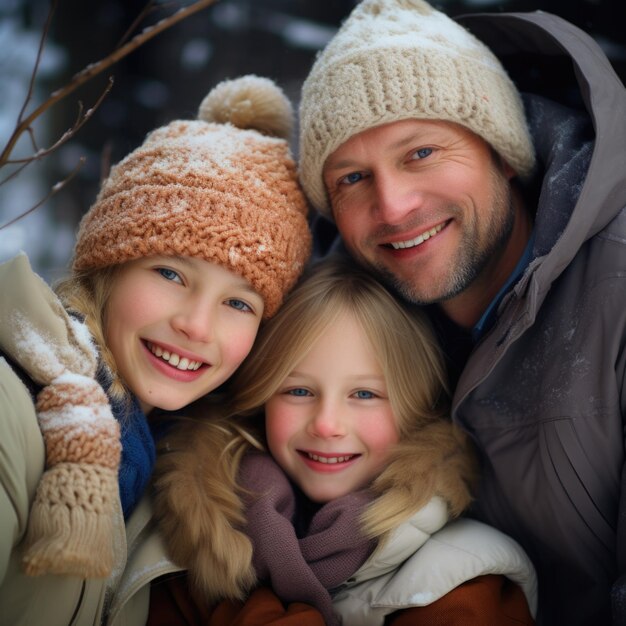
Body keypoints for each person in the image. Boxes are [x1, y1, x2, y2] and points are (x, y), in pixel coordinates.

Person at [296, 1, 626, 624]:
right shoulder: (343, 323)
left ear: (502, 151)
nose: (393, 207)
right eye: (351, 178)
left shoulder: (618, 291)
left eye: (420, 153)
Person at [0, 74, 311, 626]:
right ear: (109, 268)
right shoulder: (12, 406)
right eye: (170, 272)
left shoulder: (167, 463)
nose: (195, 325)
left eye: (239, 304)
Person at [150, 257, 537, 626]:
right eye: (298, 391)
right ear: (260, 398)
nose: (327, 425)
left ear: (414, 410)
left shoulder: (466, 580)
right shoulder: (187, 551)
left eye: (364, 395)